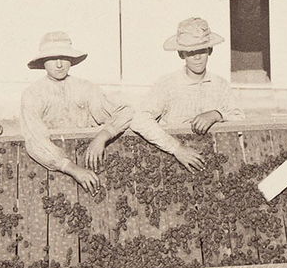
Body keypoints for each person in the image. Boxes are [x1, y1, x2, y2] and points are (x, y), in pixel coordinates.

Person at [19, 31, 202, 182]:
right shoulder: (33, 94)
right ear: (43, 62)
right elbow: (35, 140)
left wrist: (103, 136)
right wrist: (72, 168)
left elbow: (126, 112)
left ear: (71, 59)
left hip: (89, 165)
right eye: (52, 58)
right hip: (51, 170)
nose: (59, 64)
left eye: (64, 57)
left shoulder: (85, 88)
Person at [142, 17, 243, 133]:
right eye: (191, 52)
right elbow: (143, 118)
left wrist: (217, 115)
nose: (197, 57)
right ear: (181, 54)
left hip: (213, 149)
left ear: (210, 50)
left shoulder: (220, 85)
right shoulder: (167, 85)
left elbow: (239, 119)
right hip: (175, 148)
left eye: (202, 50)